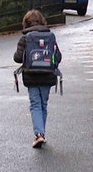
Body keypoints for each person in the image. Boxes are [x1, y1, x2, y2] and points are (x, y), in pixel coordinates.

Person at [13, 10, 62, 148]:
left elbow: (17, 57)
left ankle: (39, 134)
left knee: (35, 104)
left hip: (31, 76)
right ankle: (42, 133)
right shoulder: (50, 36)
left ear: (25, 23)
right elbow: (58, 57)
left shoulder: (25, 38)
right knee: (43, 104)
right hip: (47, 75)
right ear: (42, 21)